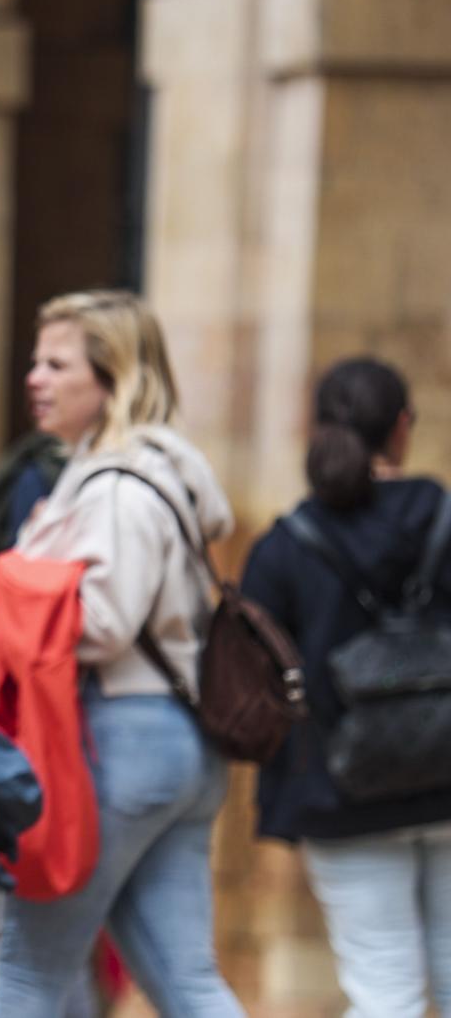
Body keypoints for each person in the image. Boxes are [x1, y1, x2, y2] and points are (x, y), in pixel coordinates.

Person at [0, 290, 243, 1017]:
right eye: (37, 361)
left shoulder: (117, 486)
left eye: (58, 364)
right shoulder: (154, 474)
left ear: (113, 377)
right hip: (176, 745)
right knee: (185, 981)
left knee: (28, 973)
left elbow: (103, 622)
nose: (36, 377)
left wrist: (1, 581)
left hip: (114, 739)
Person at [241, 357, 451, 1017]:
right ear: (402, 428)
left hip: (340, 790)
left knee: (381, 987)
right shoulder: (445, 517)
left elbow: (251, 682)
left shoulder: (286, 545)